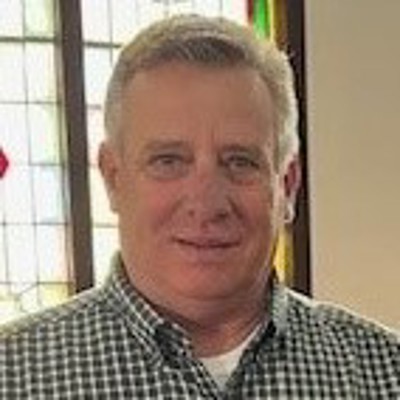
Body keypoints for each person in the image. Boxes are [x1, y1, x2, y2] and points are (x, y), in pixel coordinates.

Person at [0, 14, 398, 399]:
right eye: (168, 161)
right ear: (113, 178)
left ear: (287, 185)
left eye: (239, 162)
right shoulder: (13, 376)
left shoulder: (386, 373)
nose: (206, 204)